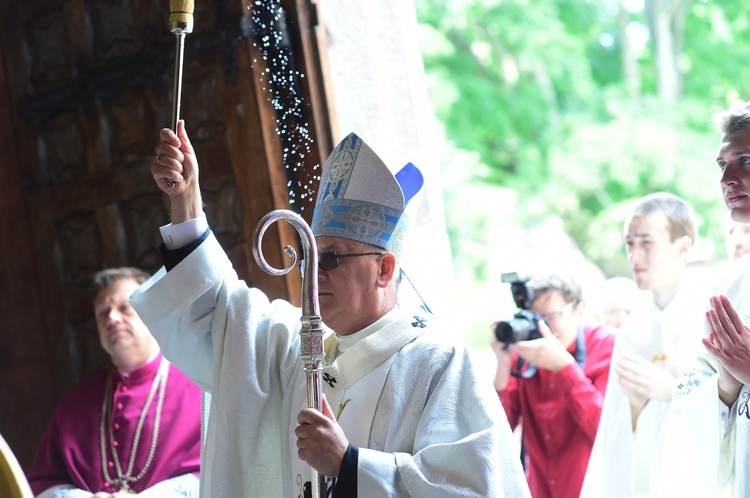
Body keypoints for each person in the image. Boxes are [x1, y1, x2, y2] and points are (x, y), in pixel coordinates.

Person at [130, 121, 531, 497]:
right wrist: (185, 199)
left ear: (384, 269)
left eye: (333, 258)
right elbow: (214, 312)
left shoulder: (438, 361)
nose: (314, 274)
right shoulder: (297, 348)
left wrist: (349, 464)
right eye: (310, 257)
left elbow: (472, 488)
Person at [27, 267, 202, 498]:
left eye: (124, 308)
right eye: (103, 313)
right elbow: (40, 484)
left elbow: (220, 475)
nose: (112, 318)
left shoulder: (198, 388)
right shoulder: (73, 406)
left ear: (154, 313)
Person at [579, 192, 708, 498]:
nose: (634, 256)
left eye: (646, 242)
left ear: (683, 247)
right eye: (629, 243)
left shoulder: (712, 317)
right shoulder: (630, 330)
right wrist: (635, 406)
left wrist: (673, 390)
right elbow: (613, 428)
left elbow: (733, 418)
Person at [656, 101, 750, 497]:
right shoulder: (730, 286)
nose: (727, 178)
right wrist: (726, 385)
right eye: (721, 164)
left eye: (744, 159)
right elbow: (690, 399)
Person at [490, 273, 615, 498]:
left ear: (579, 310)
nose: (541, 327)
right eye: (534, 318)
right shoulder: (525, 354)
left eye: (551, 316)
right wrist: (503, 364)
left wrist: (564, 368)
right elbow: (497, 432)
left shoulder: (606, 344)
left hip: (593, 490)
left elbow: (606, 430)